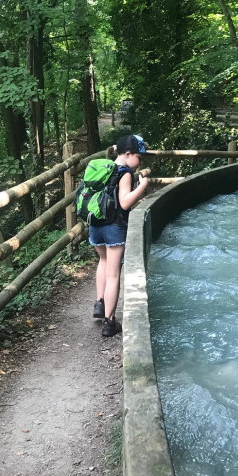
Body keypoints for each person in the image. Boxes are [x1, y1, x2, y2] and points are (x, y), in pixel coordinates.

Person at [89, 134, 149, 337]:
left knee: (103, 261)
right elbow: (124, 203)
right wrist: (142, 187)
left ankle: (100, 303)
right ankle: (109, 322)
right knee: (113, 274)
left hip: (95, 225)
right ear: (128, 154)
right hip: (114, 228)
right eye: (139, 157)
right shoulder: (125, 173)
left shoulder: (104, 167)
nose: (140, 162)